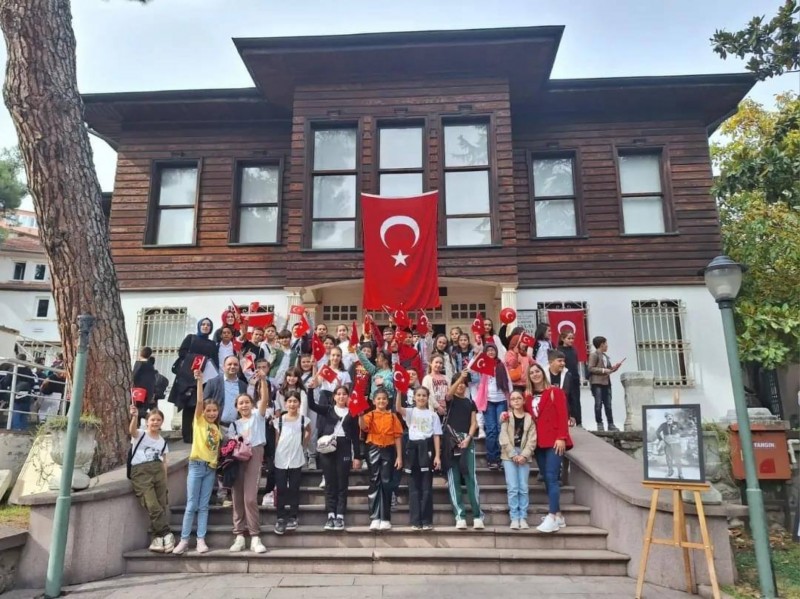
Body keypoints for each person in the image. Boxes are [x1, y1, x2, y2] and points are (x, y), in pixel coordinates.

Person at [172, 370, 221, 554]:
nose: (211, 413)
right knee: (192, 504)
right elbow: (200, 402)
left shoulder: (217, 429)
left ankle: (201, 539)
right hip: (197, 465)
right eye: (209, 410)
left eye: (214, 410)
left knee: (203, 505)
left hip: (210, 468)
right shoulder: (199, 422)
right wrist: (200, 381)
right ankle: (184, 540)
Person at [526, 363, 572, 534]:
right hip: (538, 442)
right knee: (546, 477)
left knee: (552, 476)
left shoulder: (555, 392)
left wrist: (562, 437)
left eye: (537, 371)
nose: (535, 374)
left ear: (542, 373)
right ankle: (558, 515)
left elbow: (563, 415)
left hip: (554, 441)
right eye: (531, 372)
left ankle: (551, 516)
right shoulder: (528, 396)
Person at [228, 372, 270, 554]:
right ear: (237, 407)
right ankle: (239, 535)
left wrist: (263, 381)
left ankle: (254, 535)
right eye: (241, 403)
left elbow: (265, 400)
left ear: (252, 404)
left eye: (247, 402)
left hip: (254, 453)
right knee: (237, 497)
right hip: (237, 459)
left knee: (250, 498)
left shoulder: (257, 417)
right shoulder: (234, 425)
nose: (244, 405)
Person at [308, 385, 361, 531]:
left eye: (344, 394)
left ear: (348, 397)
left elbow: (355, 436)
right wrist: (310, 389)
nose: (341, 396)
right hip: (328, 447)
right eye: (338, 394)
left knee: (342, 482)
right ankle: (331, 514)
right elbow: (312, 405)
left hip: (344, 447)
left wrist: (357, 456)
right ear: (334, 397)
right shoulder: (328, 410)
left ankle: (340, 515)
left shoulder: (352, 412)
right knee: (330, 482)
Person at [128, 404, 172, 553]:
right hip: (141, 472)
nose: (155, 422)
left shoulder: (162, 442)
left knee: (161, 504)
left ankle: (157, 539)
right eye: (152, 419)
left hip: (158, 472)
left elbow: (164, 461)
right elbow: (132, 431)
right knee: (152, 505)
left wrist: (165, 480)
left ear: (162, 422)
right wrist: (134, 416)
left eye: (158, 420)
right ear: (147, 422)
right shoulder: (141, 434)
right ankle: (166, 533)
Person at [395, 386, 441, 530]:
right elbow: (398, 408)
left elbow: (436, 436)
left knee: (426, 487)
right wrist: (399, 392)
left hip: (427, 449)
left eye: (424, 395)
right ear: (414, 397)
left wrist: (437, 456)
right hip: (412, 450)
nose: (421, 398)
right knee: (413, 487)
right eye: (419, 395)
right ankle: (415, 521)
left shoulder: (433, 415)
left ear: (428, 398)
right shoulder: (410, 412)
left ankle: (426, 521)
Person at [443, 371, 484, 530]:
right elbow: (449, 394)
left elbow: (474, 423)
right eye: (458, 383)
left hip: (467, 440)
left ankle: (477, 515)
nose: (461, 385)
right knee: (453, 478)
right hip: (451, 441)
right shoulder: (450, 400)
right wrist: (461, 376)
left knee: (470, 478)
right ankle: (459, 516)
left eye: (463, 383)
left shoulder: (470, 402)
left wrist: (468, 438)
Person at [359, 389, 403, 531]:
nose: (381, 401)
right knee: (374, 481)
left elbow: (397, 436)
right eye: (378, 399)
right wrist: (360, 415)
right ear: (374, 401)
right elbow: (363, 427)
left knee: (386, 482)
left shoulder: (392, 417)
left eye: (384, 398)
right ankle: (374, 517)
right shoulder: (370, 415)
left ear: (387, 401)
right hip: (373, 449)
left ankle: (385, 518)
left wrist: (399, 456)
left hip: (388, 449)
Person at [168, 317, 217, 444]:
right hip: (188, 378)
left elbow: (214, 360)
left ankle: (199, 434)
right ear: (199, 326)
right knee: (188, 407)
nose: (205, 326)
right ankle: (188, 436)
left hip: (204, 379)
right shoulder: (191, 338)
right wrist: (200, 359)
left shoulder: (212, 344)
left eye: (208, 325)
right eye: (203, 324)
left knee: (201, 406)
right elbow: (182, 353)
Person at [272, 391, 310, 535]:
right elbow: (277, 438)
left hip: (296, 458)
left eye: (295, 401)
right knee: (281, 488)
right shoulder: (279, 420)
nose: (292, 404)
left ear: (299, 403)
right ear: (285, 403)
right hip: (281, 458)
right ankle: (281, 517)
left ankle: (293, 516)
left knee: (294, 488)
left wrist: (303, 445)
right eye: (290, 401)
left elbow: (308, 432)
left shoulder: (303, 419)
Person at [499, 390, 536, 530]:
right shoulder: (506, 417)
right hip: (509, 455)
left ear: (523, 400)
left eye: (518, 398)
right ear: (510, 402)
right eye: (513, 398)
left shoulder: (529, 418)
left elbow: (532, 439)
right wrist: (513, 454)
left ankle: (523, 517)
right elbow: (503, 436)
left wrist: (524, 455)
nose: (516, 400)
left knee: (523, 487)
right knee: (513, 487)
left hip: (524, 454)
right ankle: (514, 517)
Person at [474, 343, 510, 470]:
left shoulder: (501, 365)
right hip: (488, 401)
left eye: (492, 350)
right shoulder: (482, 365)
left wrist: (510, 398)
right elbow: (470, 369)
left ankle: (502, 458)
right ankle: (492, 458)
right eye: (488, 350)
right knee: (491, 430)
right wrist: (479, 355)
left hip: (501, 400)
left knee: (501, 429)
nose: (490, 352)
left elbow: (508, 382)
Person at [587, 336, 623, 432]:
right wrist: (604, 370)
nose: (607, 346)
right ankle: (600, 424)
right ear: (601, 344)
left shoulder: (605, 356)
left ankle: (611, 424)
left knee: (608, 405)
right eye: (606, 343)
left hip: (607, 383)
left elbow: (609, 370)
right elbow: (590, 368)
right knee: (598, 404)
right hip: (597, 383)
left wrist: (614, 368)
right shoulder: (594, 355)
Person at [204, 356, 248, 431]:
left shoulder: (243, 386)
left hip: (237, 428)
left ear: (239, 367)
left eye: (235, 364)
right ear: (224, 367)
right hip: (216, 427)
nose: (232, 366)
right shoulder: (213, 383)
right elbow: (204, 404)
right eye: (229, 364)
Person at [544, 349, 576, 426]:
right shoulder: (543, 374)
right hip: (546, 411)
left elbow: (572, 397)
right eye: (559, 361)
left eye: (563, 361)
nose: (563, 363)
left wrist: (573, 415)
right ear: (551, 362)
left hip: (563, 411)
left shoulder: (568, 375)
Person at [558, 331, 583, 428]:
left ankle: (579, 421)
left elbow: (575, 363)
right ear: (563, 339)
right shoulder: (559, 350)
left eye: (572, 338)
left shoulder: (574, 350)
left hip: (575, 378)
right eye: (569, 338)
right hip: (565, 377)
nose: (571, 340)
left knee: (576, 400)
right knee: (566, 400)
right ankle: (566, 420)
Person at [132, 347, 157, 422]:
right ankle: (151, 417)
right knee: (141, 409)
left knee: (135, 410)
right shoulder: (150, 365)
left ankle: (150, 417)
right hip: (148, 392)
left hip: (138, 391)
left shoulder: (139, 364)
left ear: (140, 353)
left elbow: (134, 377)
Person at [656, 413, 683, 479]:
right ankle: (670, 471)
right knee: (668, 458)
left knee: (677, 458)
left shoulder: (677, 424)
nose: (669, 418)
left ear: (672, 417)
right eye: (668, 417)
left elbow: (683, 430)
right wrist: (661, 440)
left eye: (671, 416)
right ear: (666, 418)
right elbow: (657, 432)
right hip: (667, 444)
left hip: (676, 443)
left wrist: (680, 434)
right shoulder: (663, 425)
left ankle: (680, 473)